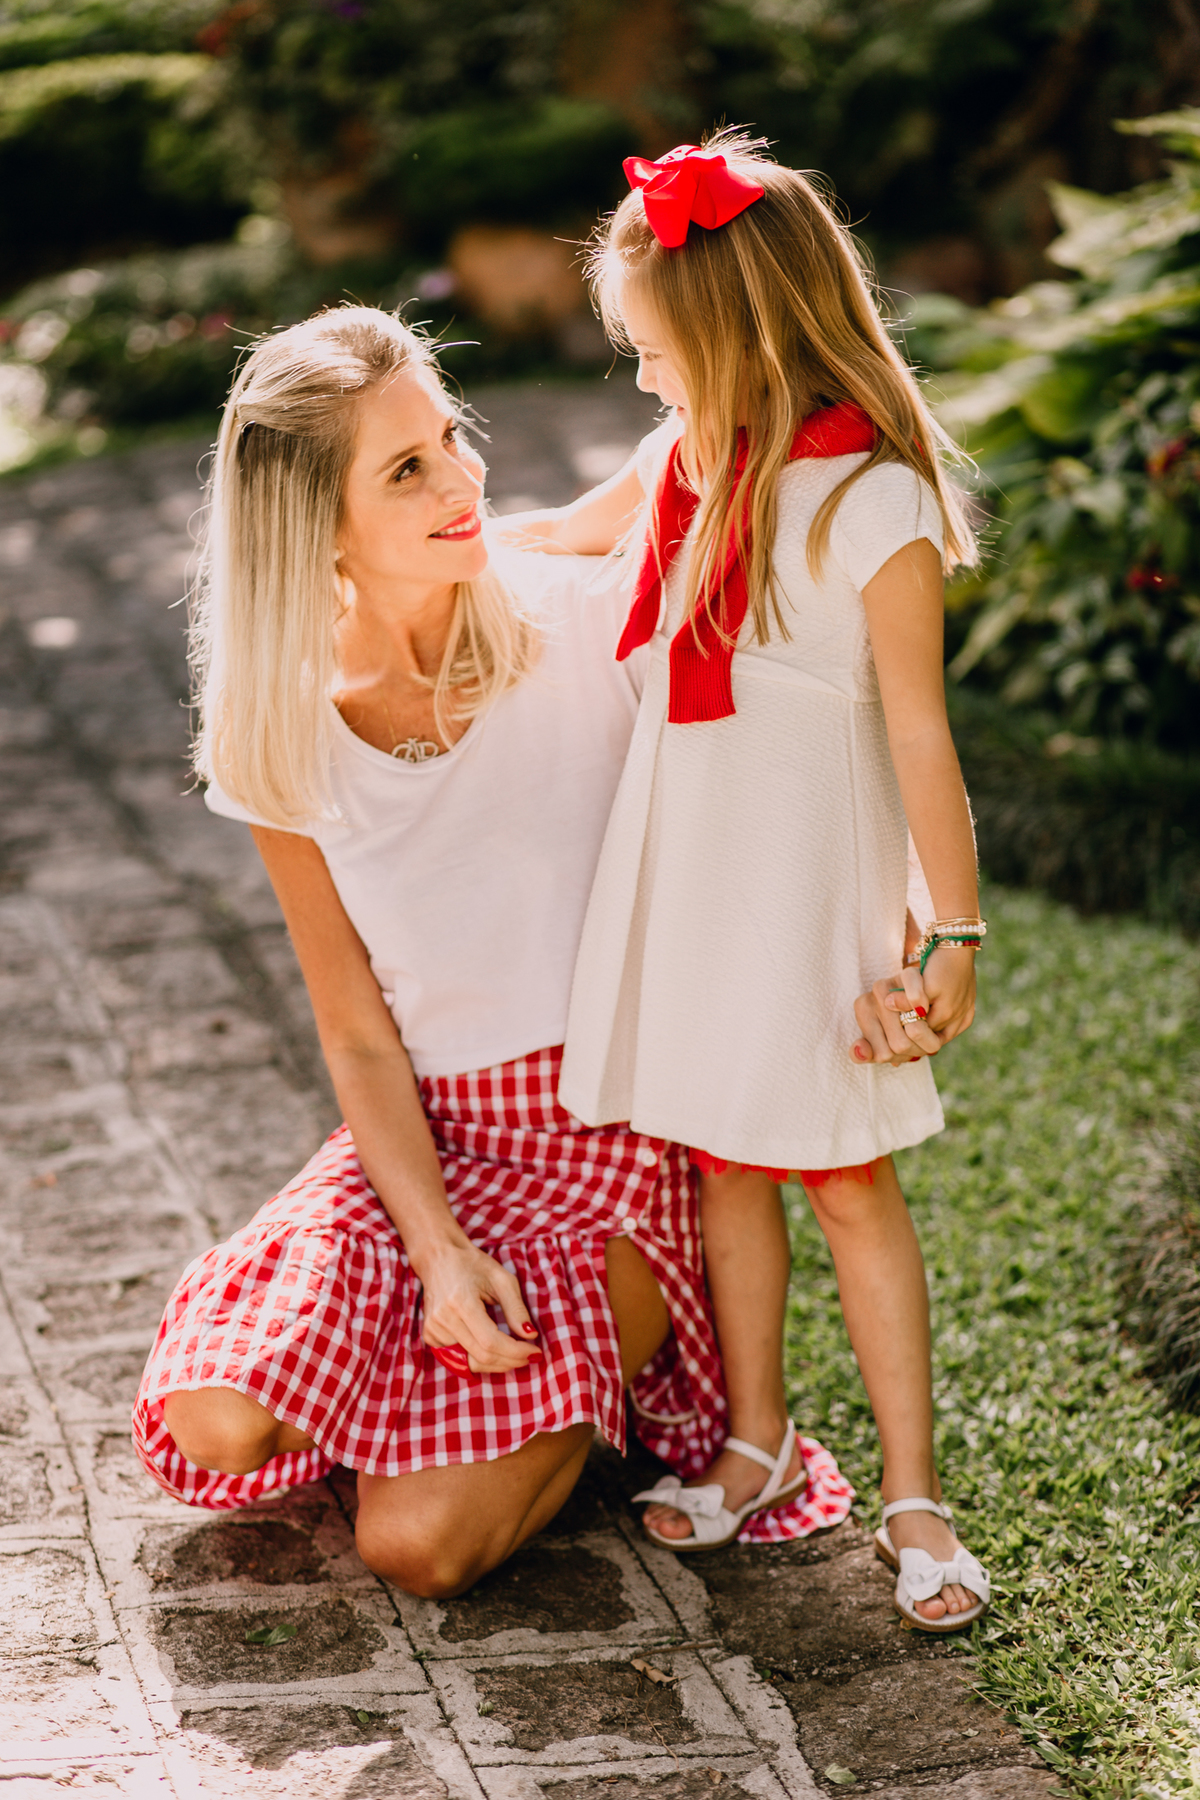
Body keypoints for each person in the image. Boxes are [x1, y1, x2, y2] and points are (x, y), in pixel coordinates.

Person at [130, 305, 853, 1597]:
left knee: (418, 1550)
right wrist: (439, 1253)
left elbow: (709, 455)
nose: (463, 476)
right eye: (404, 469)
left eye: (450, 438)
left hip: (610, 1147)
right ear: (316, 524)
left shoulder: (576, 619)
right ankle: (433, 1378)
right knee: (214, 1416)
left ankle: (468, 1410)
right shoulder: (280, 736)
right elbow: (356, 1031)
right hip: (435, 1146)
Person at [500, 133, 991, 1631]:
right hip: (696, 896)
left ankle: (913, 1493)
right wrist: (404, 559)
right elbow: (547, 546)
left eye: (653, 352)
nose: (643, 382)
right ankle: (757, 1440)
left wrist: (951, 929)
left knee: (845, 1178)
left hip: (814, 906)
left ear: (736, 335)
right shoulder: (680, 465)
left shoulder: (871, 507)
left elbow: (921, 730)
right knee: (723, 1164)